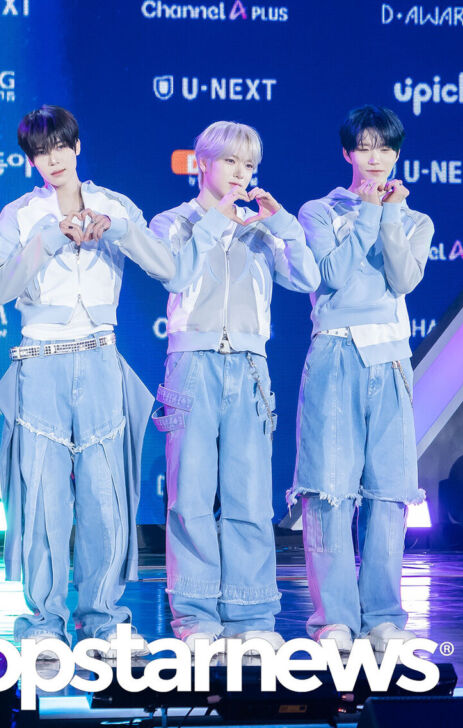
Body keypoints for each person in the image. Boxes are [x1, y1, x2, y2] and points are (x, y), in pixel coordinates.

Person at [0, 105, 196, 652]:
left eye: (61, 147)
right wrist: (48, 239)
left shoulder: (114, 205)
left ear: (77, 147)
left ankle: (102, 616)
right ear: (31, 159)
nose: (53, 159)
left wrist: (120, 231)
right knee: (42, 496)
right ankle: (45, 620)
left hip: (101, 356)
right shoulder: (19, 215)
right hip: (39, 358)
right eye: (41, 152)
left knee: (106, 495)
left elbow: (173, 270)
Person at [149, 120, 320, 652]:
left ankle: (251, 614)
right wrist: (213, 222)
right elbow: (175, 275)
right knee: (191, 497)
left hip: (248, 366)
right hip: (192, 364)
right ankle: (195, 615)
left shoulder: (260, 230)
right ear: (202, 163)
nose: (241, 173)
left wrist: (282, 223)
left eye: (249, 165)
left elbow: (308, 279)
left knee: (249, 497)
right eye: (230, 161)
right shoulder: (172, 222)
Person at [288, 106, 433, 652]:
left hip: (390, 359)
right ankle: (335, 618)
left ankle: (383, 616)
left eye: (385, 148)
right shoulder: (320, 211)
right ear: (347, 152)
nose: (376, 158)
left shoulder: (416, 221)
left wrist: (389, 215)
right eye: (365, 147)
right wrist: (370, 212)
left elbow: (402, 279)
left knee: (389, 492)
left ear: (397, 154)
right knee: (329, 490)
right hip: (336, 352)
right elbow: (332, 275)